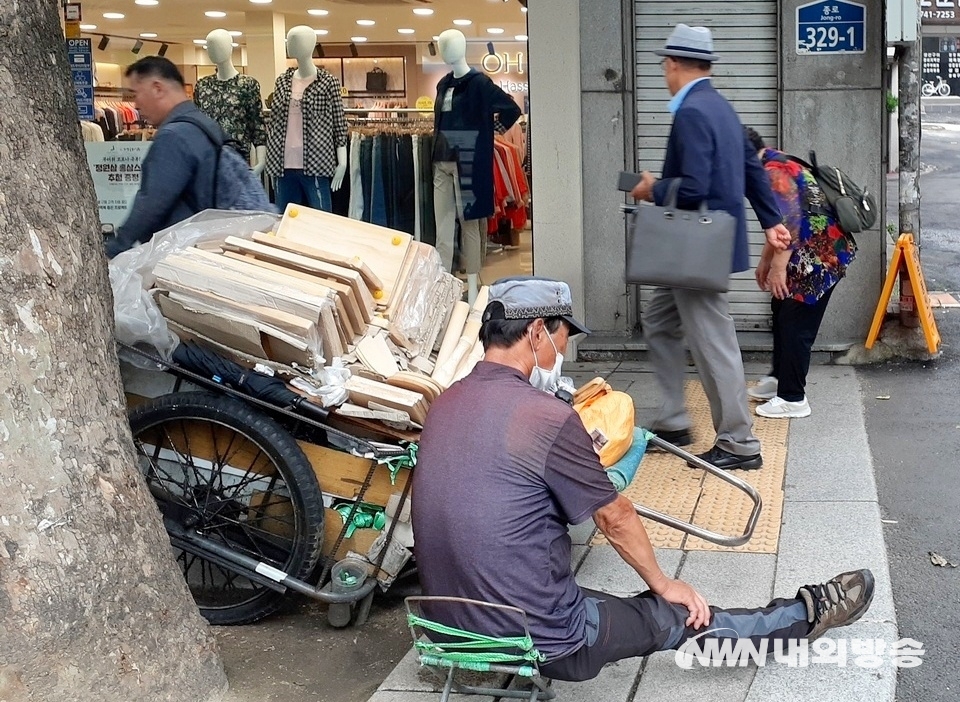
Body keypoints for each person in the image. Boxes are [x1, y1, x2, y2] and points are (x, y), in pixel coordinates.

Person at [411, 275, 874, 683]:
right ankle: (807, 614)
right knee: (674, 615)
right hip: (538, 637)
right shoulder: (543, 417)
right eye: (561, 338)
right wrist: (664, 582)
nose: (562, 351)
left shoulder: (445, 402)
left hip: (446, 625)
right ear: (535, 333)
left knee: (596, 592)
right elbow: (615, 517)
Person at [630, 24, 791, 471]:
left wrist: (651, 188)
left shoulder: (693, 113)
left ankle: (739, 442)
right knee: (659, 321)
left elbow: (694, 186)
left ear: (675, 64)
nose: (664, 71)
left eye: (665, 63)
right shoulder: (720, 106)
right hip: (697, 247)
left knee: (714, 343)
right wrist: (772, 221)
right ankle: (674, 418)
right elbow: (753, 171)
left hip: (694, 249)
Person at [745, 128, 857, 418]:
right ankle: (779, 380)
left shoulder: (772, 173)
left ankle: (793, 398)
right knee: (781, 307)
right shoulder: (776, 161)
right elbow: (778, 224)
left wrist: (778, 268)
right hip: (812, 252)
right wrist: (764, 263)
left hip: (821, 256)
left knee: (795, 321)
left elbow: (791, 221)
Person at [105, 57, 225, 259]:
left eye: (136, 93)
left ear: (157, 88)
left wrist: (116, 246)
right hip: (207, 242)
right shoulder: (203, 124)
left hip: (182, 251)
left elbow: (152, 202)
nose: (135, 104)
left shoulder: (175, 136)